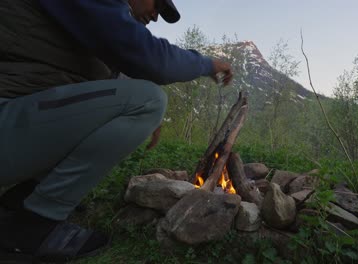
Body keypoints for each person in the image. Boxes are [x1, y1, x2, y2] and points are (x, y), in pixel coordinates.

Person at [0, 0, 233, 262]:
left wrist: (127, 104)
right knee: (149, 100)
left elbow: (105, 74)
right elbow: (149, 57)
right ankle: (32, 227)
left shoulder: (90, 22)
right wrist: (206, 64)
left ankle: (22, 200)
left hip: (16, 121)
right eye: (156, 4)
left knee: (139, 101)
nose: (155, 16)